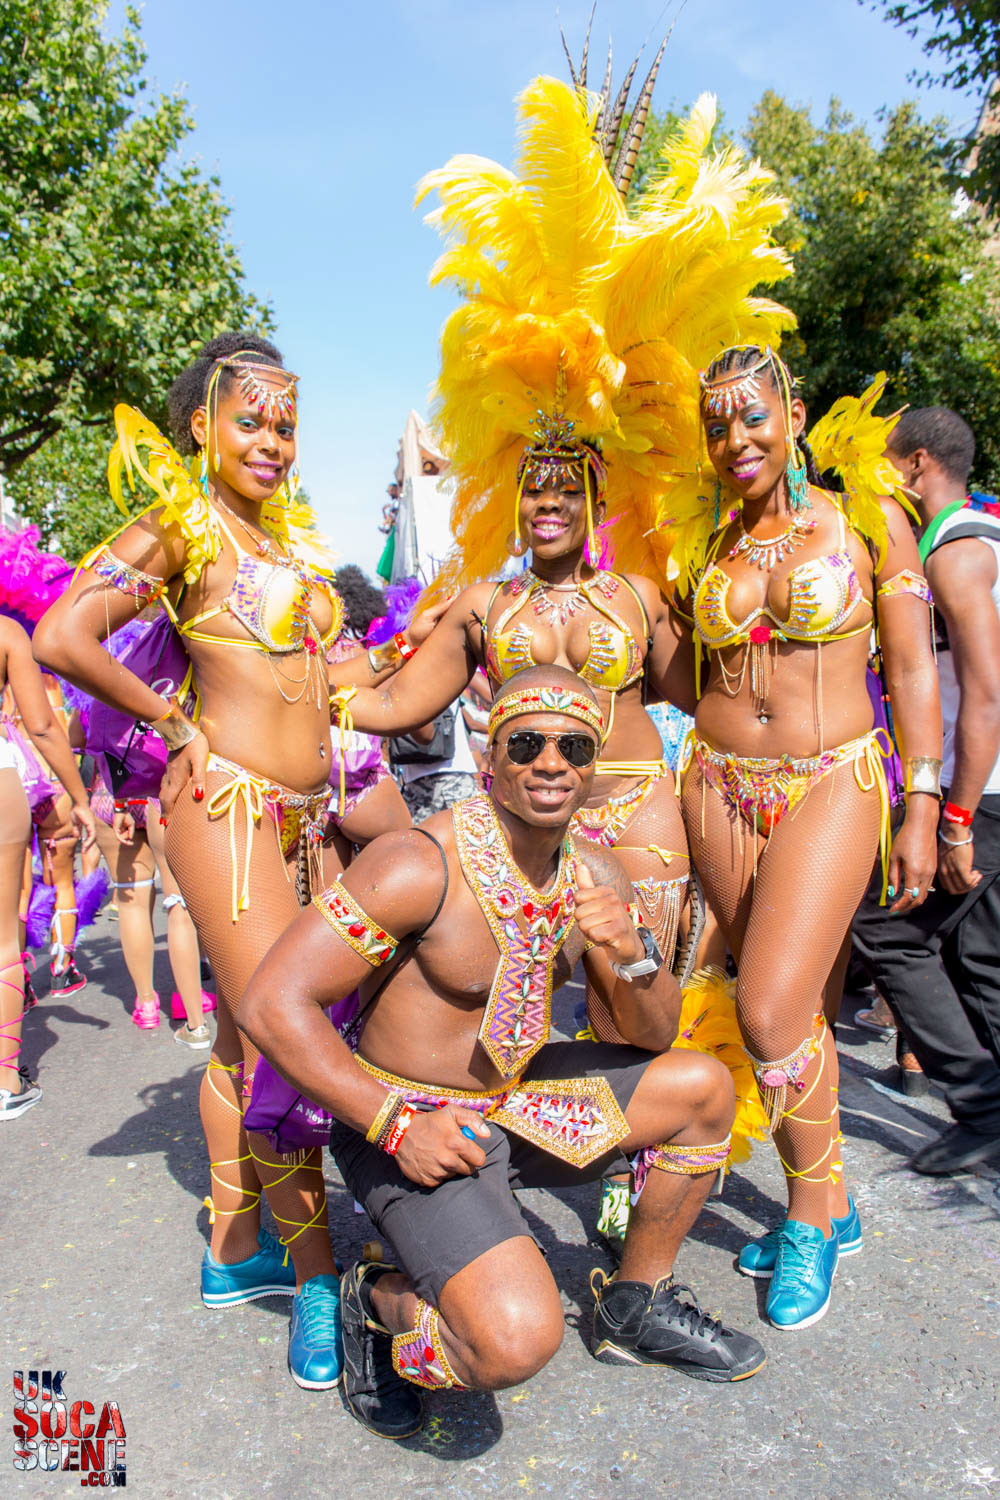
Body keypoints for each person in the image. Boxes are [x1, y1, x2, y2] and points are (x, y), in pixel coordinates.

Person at [329, 73, 794, 973]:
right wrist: (294, 674)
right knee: (516, 1016)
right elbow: (392, 705)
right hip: (525, 834)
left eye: (567, 490)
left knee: (645, 1007)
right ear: (513, 499)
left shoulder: (640, 598)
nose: (548, 504)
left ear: (596, 501)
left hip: (638, 813)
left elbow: (714, 698)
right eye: (534, 490)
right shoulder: (482, 607)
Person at [241, 667, 766, 1440]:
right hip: (412, 1125)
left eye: (573, 748)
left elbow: (648, 1036)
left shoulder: (596, 872)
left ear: (594, 766)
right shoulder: (417, 863)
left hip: (514, 1105)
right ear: (491, 758)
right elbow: (271, 1002)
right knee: (510, 1344)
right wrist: (394, 1126)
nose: (551, 763)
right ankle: (374, 1297)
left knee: (703, 1089)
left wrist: (632, 954)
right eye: (527, 744)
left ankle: (636, 1304)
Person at [34, 331, 398, 1388]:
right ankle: (319, 1283)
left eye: (286, 424)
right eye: (250, 421)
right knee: (286, 1036)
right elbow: (63, 635)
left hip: (304, 818)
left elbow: (324, 675)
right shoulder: (179, 527)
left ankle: (237, 1251)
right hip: (225, 807)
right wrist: (170, 721)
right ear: (202, 426)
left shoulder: (282, 540)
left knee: (245, 1042)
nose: (272, 442)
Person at [666, 349, 942, 1328]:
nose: (734, 440)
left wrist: (925, 800)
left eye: (752, 416)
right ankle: (828, 1197)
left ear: (792, 413)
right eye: (716, 425)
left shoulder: (865, 516)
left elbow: (911, 668)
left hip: (833, 777)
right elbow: (674, 671)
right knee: (791, 1015)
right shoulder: (703, 539)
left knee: (770, 1008)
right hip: (717, 786)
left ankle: (813, 1218)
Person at [853, 407, 1000, 1174]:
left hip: (983, 789)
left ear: (915, 465)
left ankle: (981, 1107)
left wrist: (955, 819)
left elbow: (985, 696)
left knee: (885, 926)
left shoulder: (953, 554)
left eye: (883, 463)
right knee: (980, 955)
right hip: (988, 787)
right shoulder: (988, 536)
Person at [0, 618, 94, 1118]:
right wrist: (78, 797)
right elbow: (41, 726)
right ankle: (4, 1083)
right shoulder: (6, 633)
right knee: (2, 943)